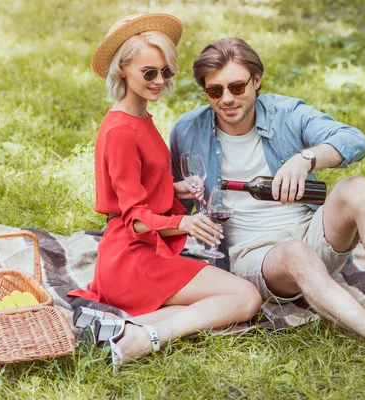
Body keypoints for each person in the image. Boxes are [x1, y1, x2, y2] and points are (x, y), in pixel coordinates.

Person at [169, 37, 365, 389]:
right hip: (254, 257)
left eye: (236, 86)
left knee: (356, 187)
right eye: (215, 91)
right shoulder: (187, 130)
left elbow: (354, 139)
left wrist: (306, 157)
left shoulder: (285, 113)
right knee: (296, 253)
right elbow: (171, 197)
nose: (227, 99)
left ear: (257, 80)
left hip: (310, 231)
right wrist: (178, 194)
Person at [67, 17, 262, 372]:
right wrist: (186, 223)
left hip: (136, 253)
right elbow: (136, 220)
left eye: (165, 72)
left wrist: (173, 188)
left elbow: (133, 187)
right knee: (245, 296)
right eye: (149, 73)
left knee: (231, 297)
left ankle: (128, 328)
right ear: (122, 70)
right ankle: (148, 337)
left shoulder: (138, 117)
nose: (160, 81)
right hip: (132, 259)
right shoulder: (122, 131)